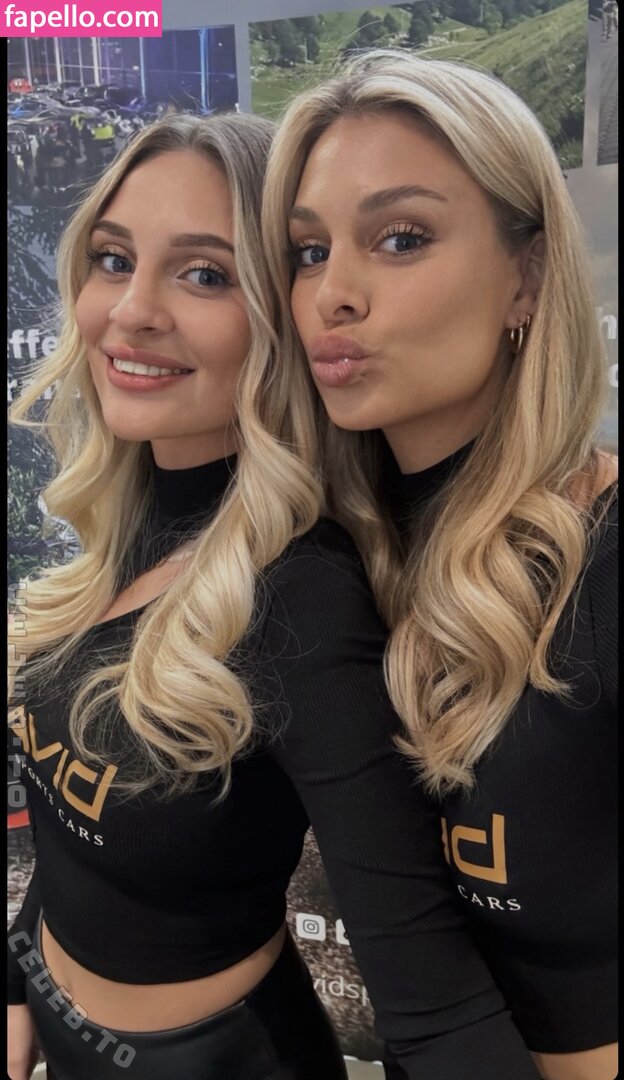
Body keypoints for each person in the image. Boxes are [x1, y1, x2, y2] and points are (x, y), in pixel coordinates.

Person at [6, 113, 541, 1080]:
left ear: (279, 316)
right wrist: (20, 966)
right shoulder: (129, 522)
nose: (132, 311)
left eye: (204, 275)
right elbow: (74, 822)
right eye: (114, 259)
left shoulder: (299, 598)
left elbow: (435, 1007)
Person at [262, 49, 618, 1080]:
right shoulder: (322, 558)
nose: (332, 295)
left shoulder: (606, 552)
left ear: (528, 278)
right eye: (308, 251)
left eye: (401, 238)